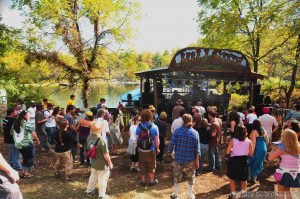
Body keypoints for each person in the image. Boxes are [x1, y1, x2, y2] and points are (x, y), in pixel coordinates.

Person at [168, 114, 200, 199]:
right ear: (191, 121)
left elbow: (171, 143)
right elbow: (197, 149)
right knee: (191, 177)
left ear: (183, 121)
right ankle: (190, 195)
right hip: (190, 159)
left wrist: (170, 152)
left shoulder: (178, 131)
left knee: (176, 176)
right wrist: (197, 161)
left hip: (179, 158)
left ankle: (176, 195)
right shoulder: (195, 133)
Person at [268, 129, 300, 199]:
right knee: (287, 190)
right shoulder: (298, 147)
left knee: (280, 191)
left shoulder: (282, 147)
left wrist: (275, 147)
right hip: (295, 172)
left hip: (283, 171)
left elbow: (270, 158)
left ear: (284, 137)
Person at [86, 120, 113, 199]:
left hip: (93, 161)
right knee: (102, 179)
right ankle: (102, 195)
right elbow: (106, 154)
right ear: (100, 128)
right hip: (102, 164)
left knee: (93, 176)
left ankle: (89, 190)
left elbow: (88, 148)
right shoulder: (102, 140)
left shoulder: (89, 137)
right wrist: (110, 163)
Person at [226, 126, 253, 199]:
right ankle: (244, 194)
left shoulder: (233, 141)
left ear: (236, 132)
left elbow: (228, 151)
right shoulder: (249, 141)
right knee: (244, 179)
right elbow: (250, 153)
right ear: (245, 132)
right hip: (244, 161)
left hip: (234, 161)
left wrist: (232, 150)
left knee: (232, 178)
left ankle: (233, 194)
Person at [13, 110, 40, 178]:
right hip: (27, 144)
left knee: (25, 158)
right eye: (28, 115)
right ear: (24, 116)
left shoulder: (16, 122)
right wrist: (37, 140)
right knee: (30, 159)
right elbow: (33, 133)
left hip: (19, 144)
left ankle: (23, 172)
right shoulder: (26, 124)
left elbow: (12, 133)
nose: (29, 116)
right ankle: (26, 173)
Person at [136, 109, 160, 186]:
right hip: (151, 150)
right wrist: (157, 148)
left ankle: (143, 181)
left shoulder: (138, 127)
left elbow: (136, 140)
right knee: (152, 165)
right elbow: (157, 140)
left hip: (141, 150)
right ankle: (151, 181)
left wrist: (139, 147)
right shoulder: (154, 127)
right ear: (150, 116)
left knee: (142, 165)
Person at [248, 119, 268, 184]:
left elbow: (253, 142)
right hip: (263, 148)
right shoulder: (263, 130)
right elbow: (267, 140)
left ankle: (251, 176)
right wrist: (265, 146)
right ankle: (254, 176)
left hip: (257, 148)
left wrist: (252, 152)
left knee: (253, 161)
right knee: (259, 162)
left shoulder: (254, 131)